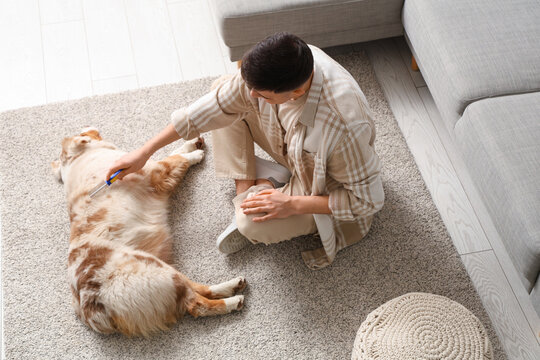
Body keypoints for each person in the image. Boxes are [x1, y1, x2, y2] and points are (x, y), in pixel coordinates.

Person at [106, 32, 384, 270]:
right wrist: (145, 152)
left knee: (250, 224)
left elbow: (368, 201)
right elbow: (211, 107)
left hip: (321, 183)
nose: (252, 96)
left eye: (262, 95)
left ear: (295, 94)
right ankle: (251, 190)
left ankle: (262, 192)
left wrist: (291, 205)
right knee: (222, 90)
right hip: (291, 148)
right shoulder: (286, 63)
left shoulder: (343, 127)